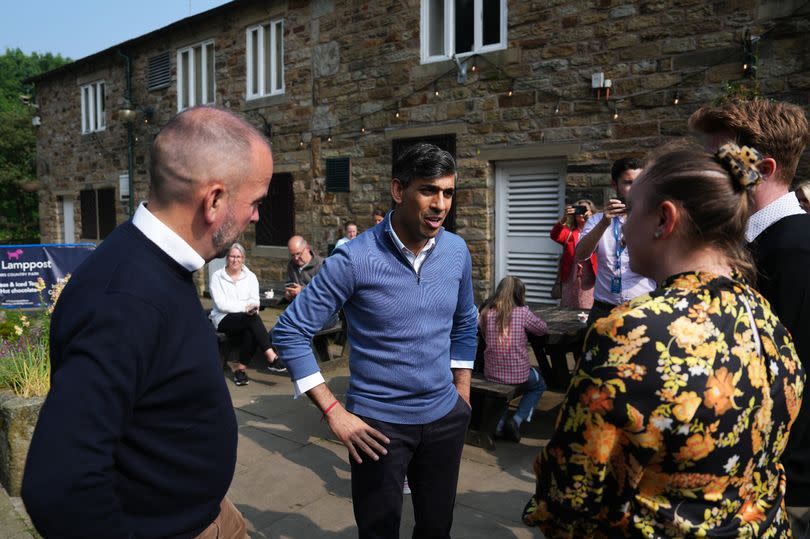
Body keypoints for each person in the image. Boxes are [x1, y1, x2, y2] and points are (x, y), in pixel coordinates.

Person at [522, 142, 805, 537]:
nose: (625, 229)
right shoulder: (766, 317)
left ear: (663, 220)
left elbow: (570, 488)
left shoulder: (632, 332)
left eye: (634, 209)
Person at [21, 106, 274, 538]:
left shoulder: (158, 267)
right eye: (255, 201)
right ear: (213, 200)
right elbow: (58, 486)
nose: (256, 217)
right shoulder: (124, 300)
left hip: (207, 511)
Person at [272, 142, 478, 538]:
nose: (440, 204)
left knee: (437, 527)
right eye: (428, 190)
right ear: (399, 191)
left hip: (444, 419)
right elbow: (289, 331)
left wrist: (462, 394)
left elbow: (465, 321)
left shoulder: (456, 251)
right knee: (379, 531)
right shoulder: (354, 258)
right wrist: (333, 411)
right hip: (377, 429)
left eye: (448, 192)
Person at [689, 100, 810, 535]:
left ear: (763, 166)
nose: (709, 173)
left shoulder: (794, 249)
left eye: (718, 161)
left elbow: (791, 374)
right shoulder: (752, 241)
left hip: (786, 483)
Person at [575, 158, 656, 325]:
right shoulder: (598, 220)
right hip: (604, 308)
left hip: (643, 305)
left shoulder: (654, 219)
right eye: (628, 183)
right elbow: (580, 254)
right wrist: (604, 223)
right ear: (614, 185)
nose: (635, 189)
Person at [479, 276, 548, 443]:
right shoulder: (523, 313)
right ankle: (516, 420)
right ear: (520, 294)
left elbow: (479, 329)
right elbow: (542, 329)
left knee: (503, 390)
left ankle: (499, 424)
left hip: (492, 372)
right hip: (519, 375)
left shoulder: (487, 312)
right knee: (539, 385)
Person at [210, 242, 286, 386]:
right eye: (232, 256)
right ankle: (271, 356)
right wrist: (245, 307)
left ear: (243, 258)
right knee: (253, 320)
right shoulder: (217, 277)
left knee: (251, 329)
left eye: (238, 257)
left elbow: (255, 301)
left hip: (245, 319)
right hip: (223, 318)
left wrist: (249, 308)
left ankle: (240, 370)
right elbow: (221, 305)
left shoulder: (250, 276)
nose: (235, 260)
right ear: (227, 258)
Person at [550, 199, 597, 309]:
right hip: (571, 278)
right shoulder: (569, 233)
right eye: (579, 210)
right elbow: (554, 235)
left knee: (589, 309)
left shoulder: (597, 232)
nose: (581, 213)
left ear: (591, 212)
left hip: (591, 279)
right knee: (569, 310)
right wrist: (564, 218)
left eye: (585, 210)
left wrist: (591, 221)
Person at [285, 235, 323, 302]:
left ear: (307, 248)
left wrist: (302, 291)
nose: (296, 258)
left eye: (298, 253)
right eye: (292, 255)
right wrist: (289, 293)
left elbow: (325, 292)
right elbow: (289, 284)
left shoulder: (322, 265)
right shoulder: (291, 265)